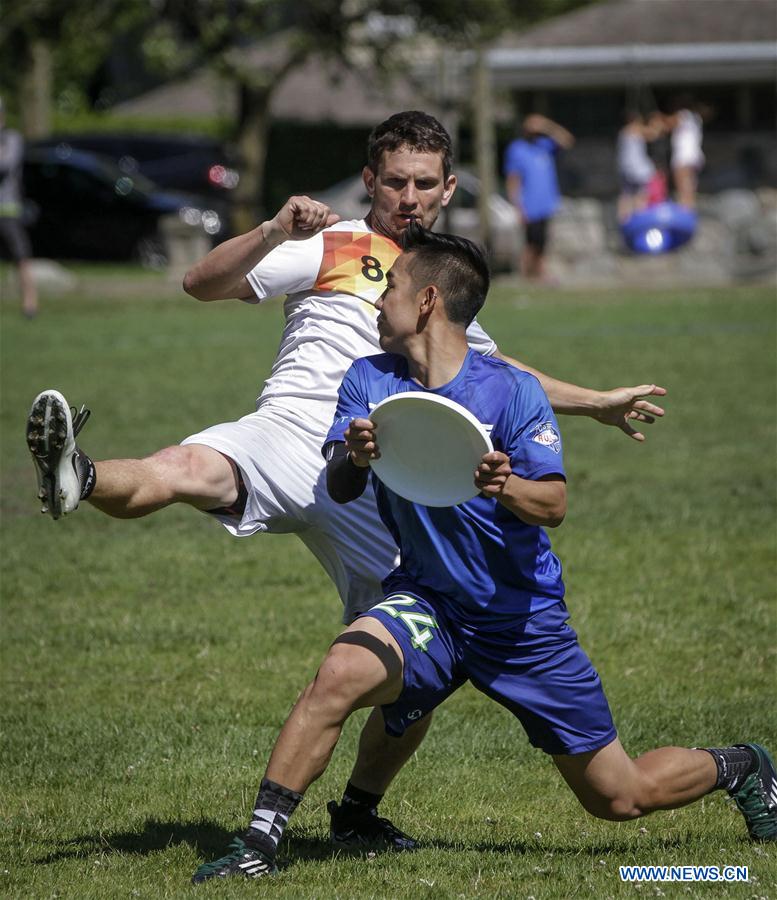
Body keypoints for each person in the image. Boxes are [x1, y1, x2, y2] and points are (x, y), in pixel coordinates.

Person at [26, 111, 668, 850]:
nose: (409, 197)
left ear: (448, 188)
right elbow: (200, 283)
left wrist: (594, 403)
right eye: (394, 181)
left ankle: (358, 811)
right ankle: (82, 475)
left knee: (413, 659)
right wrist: (273, 230)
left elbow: (498, 370)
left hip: (379, 482)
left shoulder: (436, 280)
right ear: (369, 180)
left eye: (424, 184)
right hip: (293, 432)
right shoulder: (333, 244)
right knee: (185, 468)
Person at [191, 223, 777, 882]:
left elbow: (552, 506)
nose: (376, 300)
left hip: (520, 620)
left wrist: (505, 487)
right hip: (428, 602)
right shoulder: (367, 378)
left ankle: (741, 764)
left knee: (618, 796)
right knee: (338, 677)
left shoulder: (509, 392)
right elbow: (338, 483)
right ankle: (259, 846)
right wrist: (352, 458)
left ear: (427, 301)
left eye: (389, 287)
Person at [503, 113, 574, 282]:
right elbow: (513, 179)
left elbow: (568, 141)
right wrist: (517, 205)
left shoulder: (544, 145)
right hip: (529, 205)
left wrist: (547, 125)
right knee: (531, 242)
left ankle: (538, 274)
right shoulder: (517, 149)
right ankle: (529, 274)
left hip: (546, 204)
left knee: (542, 242)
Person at [0, 96, 38, 318]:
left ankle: (30, 305)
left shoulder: (11, 139)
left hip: (8, 210)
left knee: (21, 258)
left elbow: (5, 165)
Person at [616, 110, 665, 223]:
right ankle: (639, 219)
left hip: (626, 169)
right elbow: (653, 134)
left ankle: (624, 220)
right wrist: (657, 123)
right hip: (635, 169)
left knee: (626, 194)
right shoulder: (634, 129)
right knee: (641, 194)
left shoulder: (623, 132)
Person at [666, 96, 706, 209]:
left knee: (682, 184)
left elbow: (668, 124)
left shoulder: (682, 114)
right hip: (695, 155)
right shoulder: (696, 117)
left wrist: (657, 118)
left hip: (683, 155)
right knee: (690, 183)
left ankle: (685, 207)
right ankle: (689, 206)